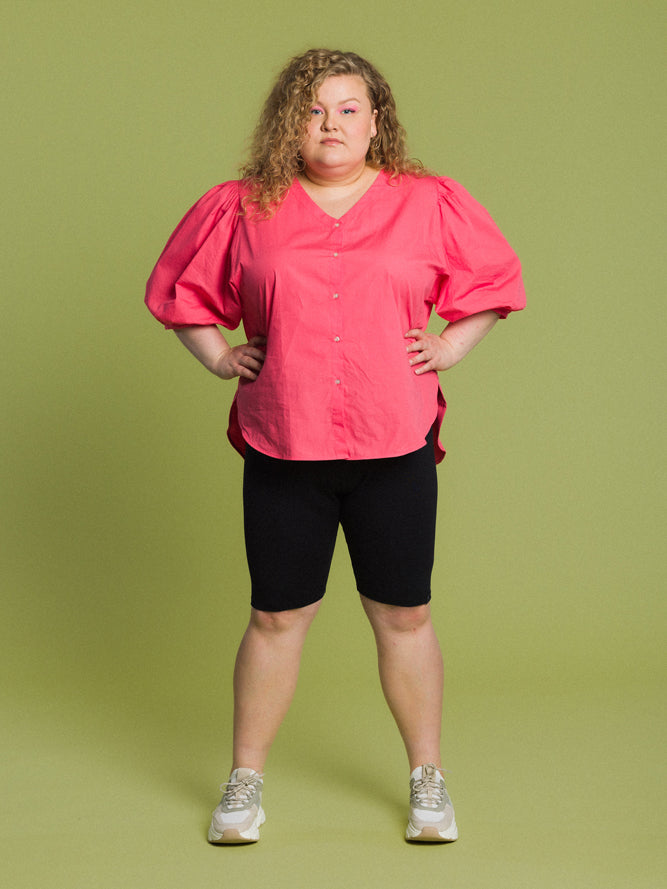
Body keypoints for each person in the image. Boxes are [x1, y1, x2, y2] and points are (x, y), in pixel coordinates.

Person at [145, 47, 525, 845]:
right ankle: (244, 781)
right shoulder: (240, 206)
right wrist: (218, 356)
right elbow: (181, 291)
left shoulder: (427, 201)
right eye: (313, 110)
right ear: (289, 123)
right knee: (275, 617)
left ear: (375, 121)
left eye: (348, 109)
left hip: (394, 441)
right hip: (285, 443)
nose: (330, 124)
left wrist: (449, 346)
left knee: (406, 615)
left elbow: (492, 283)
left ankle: (428, 779)